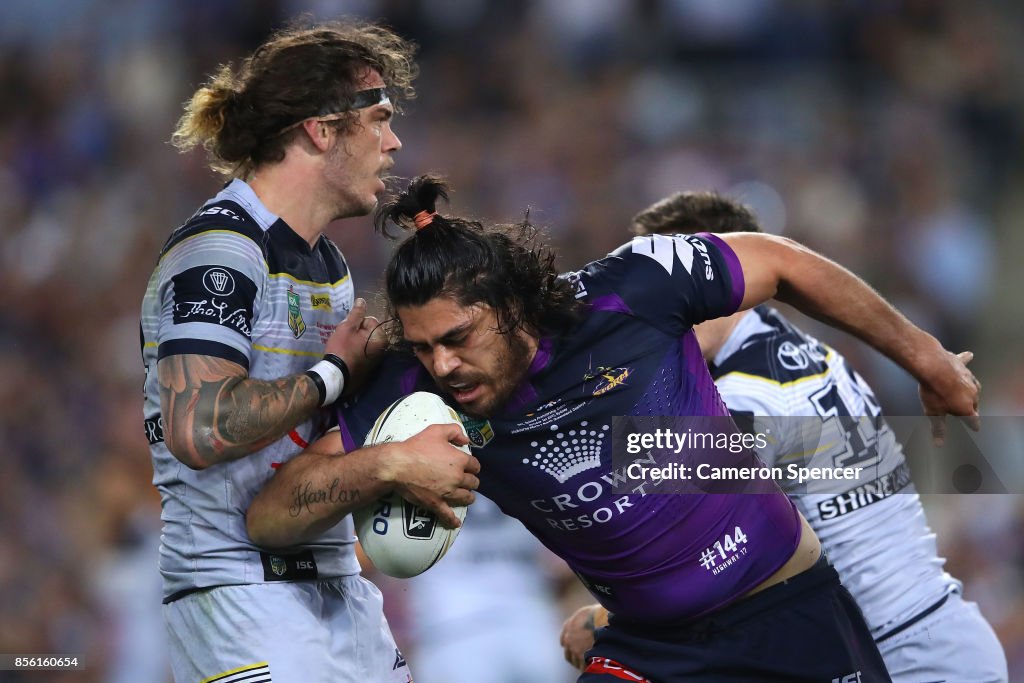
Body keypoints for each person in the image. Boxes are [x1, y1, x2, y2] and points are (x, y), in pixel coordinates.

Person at [247, 175, 980, 682]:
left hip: (840, 628)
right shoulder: (423, 386)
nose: (442, 363)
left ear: (510, 305)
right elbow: (272, 513)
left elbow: (780, 274)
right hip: (662, 649)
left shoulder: (674, 331)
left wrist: (934, 365)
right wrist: (386, 465)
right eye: (424, 345)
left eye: (459, 336)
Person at [140, 25, 479, 683]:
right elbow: (199, 428)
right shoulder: (220, 251)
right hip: (235, 594)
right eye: (378, 120)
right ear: (322, 131)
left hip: (338, 586)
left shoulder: (329, 267)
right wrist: (336, 374)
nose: (393, 142)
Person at [569, 191, 1010, 681]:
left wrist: (603, 619)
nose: (645, 318)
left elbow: (714, 568)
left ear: (713, 284)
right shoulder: (814, 354)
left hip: (900, 656)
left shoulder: (743, 397)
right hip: (927, 633)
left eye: (659, 295)